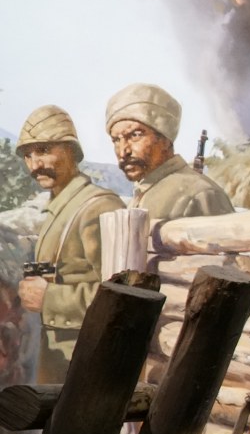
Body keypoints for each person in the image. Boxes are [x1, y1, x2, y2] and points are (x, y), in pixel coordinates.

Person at [15, 105, 125, 383]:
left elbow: (121, 298)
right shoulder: (60, 207)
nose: (34, 165)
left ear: (71, 151)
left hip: (86, 366)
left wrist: (50, 298)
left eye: (43, 151)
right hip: (57, 364)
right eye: (28, 155)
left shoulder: (98, 207)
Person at [104, 83, 232, 220]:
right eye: (116, 140)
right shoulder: (141, 193)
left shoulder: (201, 195)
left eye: (135, 135)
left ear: (165, 139)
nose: (123, 152)